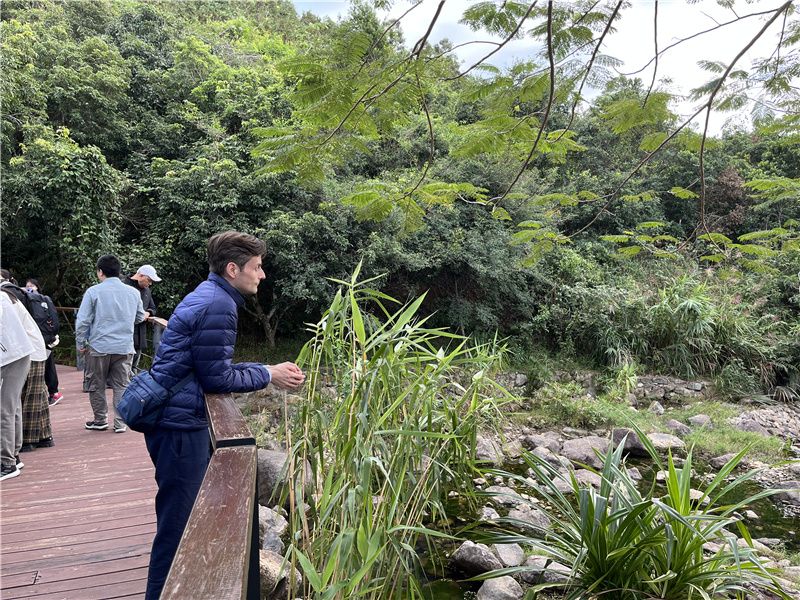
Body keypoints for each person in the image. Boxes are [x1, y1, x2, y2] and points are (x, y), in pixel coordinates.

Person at [143, 231, 305, 600]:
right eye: (257, 267)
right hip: (179, 426)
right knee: (177, 527)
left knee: (179, 520)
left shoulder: (211, 294)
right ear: (233, 269)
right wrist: (268, 375)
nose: (261, 275)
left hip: (175, 420)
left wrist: (267, 368)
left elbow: (210, 368)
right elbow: (217, 377)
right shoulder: (219, 304)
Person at [75, 255, 145, 434]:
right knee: (122, 385)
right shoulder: (133, 293)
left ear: (100, 272)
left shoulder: (93, 292)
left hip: (99, 347)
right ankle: (120, 423)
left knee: (96, 384)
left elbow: (83, 321)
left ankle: (100, 419)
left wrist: (81, 343)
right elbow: (139, 317)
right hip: (124, 347)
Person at [0, 273, 45, 480]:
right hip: (23, 352)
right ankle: (15, 455)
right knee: (13, 405)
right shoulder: (7, 294)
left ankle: (6, 463)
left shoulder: (3, 297)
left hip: (14, 355)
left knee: (5, 409)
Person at [24, 279, 63, 406]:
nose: (29, 288)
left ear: (37, 287)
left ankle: (50, 393)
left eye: (32, 286)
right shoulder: (45, 300)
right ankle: (53, 392)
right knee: (48, 365)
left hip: (37, 338)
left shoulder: (30, 300)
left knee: (45, 366)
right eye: (27, 286)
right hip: (46, 337)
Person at [123, 265, 161, 372]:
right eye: (149, 280)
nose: (150, 283)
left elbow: (153, 307)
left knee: (134, 367)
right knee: (122, 368)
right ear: (140, 275)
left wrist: (147, 313)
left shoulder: (147, 290)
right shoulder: (124, 286)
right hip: (125, 334)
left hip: (140, 334)